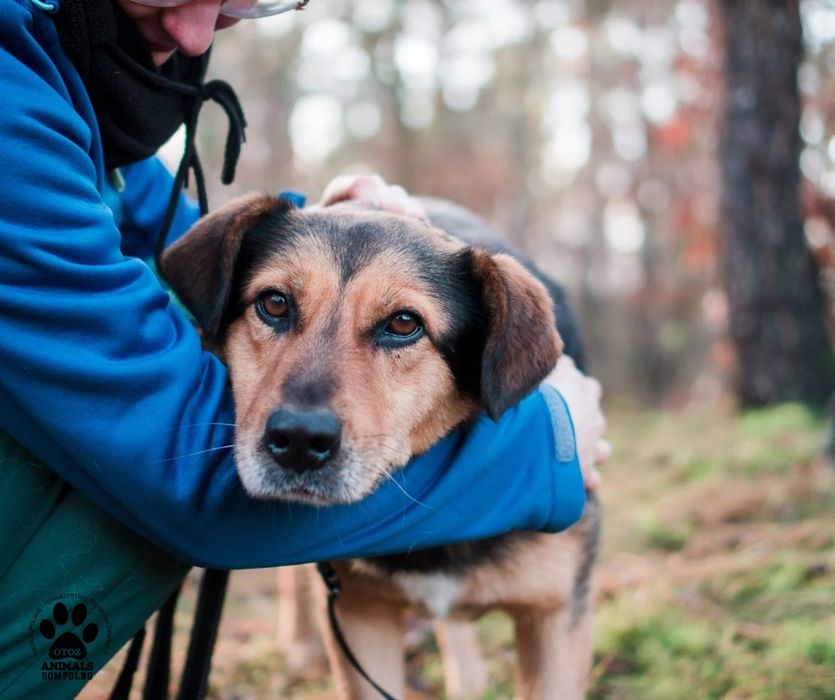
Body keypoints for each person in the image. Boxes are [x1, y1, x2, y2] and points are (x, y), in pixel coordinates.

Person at [0, 1, 607, 697]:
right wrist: (551, 446)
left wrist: (320, 234)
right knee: (137, 481)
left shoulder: (69, 101)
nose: (197, 33)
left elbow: (166, 234)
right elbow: (169, 462)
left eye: (240, 3)